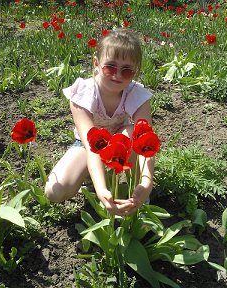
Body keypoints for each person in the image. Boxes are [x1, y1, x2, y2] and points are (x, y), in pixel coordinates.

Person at [45, 28, 154, 216]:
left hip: (121, 140)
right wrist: (101, 190)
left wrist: (147, 181)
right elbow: (90, 144)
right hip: (86, 145)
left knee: (134, 132)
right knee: (55, 192)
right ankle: (93, 177)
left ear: (135, 72)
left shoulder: (136, 93)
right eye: (110, 66)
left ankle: (136, 189)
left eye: (127, 70)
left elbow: (146, 141)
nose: (117, 75)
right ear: (96, 63)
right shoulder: (84, 93)